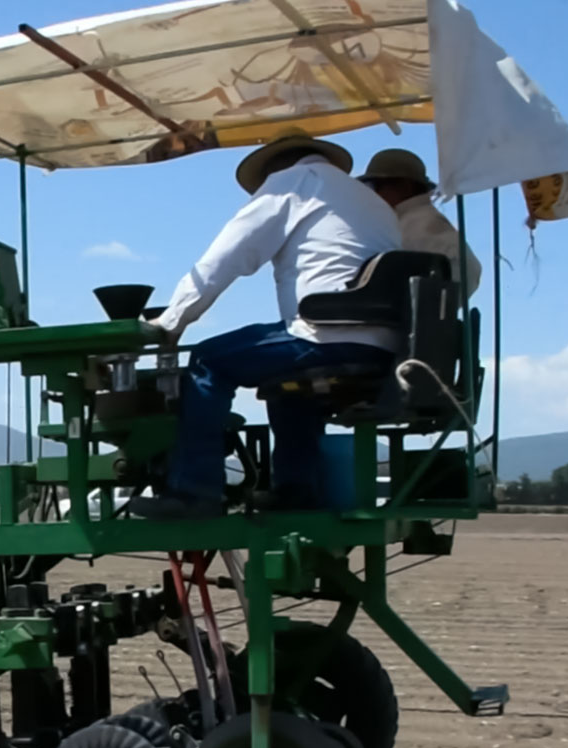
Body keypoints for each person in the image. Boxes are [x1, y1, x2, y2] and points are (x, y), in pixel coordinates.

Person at [136, 130, 403, 518]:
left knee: (209, 360)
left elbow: (227, 256)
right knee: (289, 386)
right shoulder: (371, 201)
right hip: (385, 345)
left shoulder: (290, 183)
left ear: (273, 168)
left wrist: (172, 321)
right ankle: (296, 491)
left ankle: (195, 492)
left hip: (330, 332)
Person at [358, 149, 481, 296]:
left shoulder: (412, 225)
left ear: (404, 186)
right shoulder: (422, 220)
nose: (374, 194)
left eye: (378, 186)